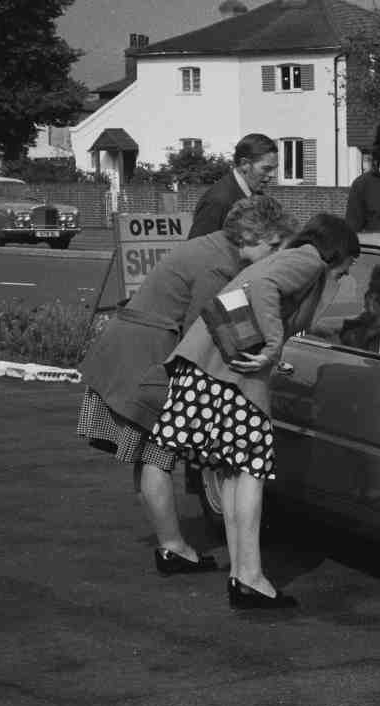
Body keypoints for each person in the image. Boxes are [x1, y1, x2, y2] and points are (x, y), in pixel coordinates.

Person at [76, 196, 295, 575]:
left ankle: (171, 544)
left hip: (134, 348)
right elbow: (207, 330)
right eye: (274, 247)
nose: (276, 256)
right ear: (255, 237)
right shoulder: (218, 264)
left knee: (150, 453)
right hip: (146, 355)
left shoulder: (214, 248)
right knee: (156, 453)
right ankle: (173, 548)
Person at [153, 214, 361, 609]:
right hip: (228, 374)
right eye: (351, 259)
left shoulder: (291, 257)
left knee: (235, 472)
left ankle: (243, 574)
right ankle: (248, 576)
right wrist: (272, 345)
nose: (351, 268)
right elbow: (264, 288)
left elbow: (257, 291)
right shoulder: (309, 260)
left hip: (210, 364)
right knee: (251, 469)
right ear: (337, 248)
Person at [187, 134, 280, 239]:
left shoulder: (256, 195)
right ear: (245, 164)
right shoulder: (218, 201)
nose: (272, 175)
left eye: (274, 169)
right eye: (266, 169)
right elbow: (198, 249)